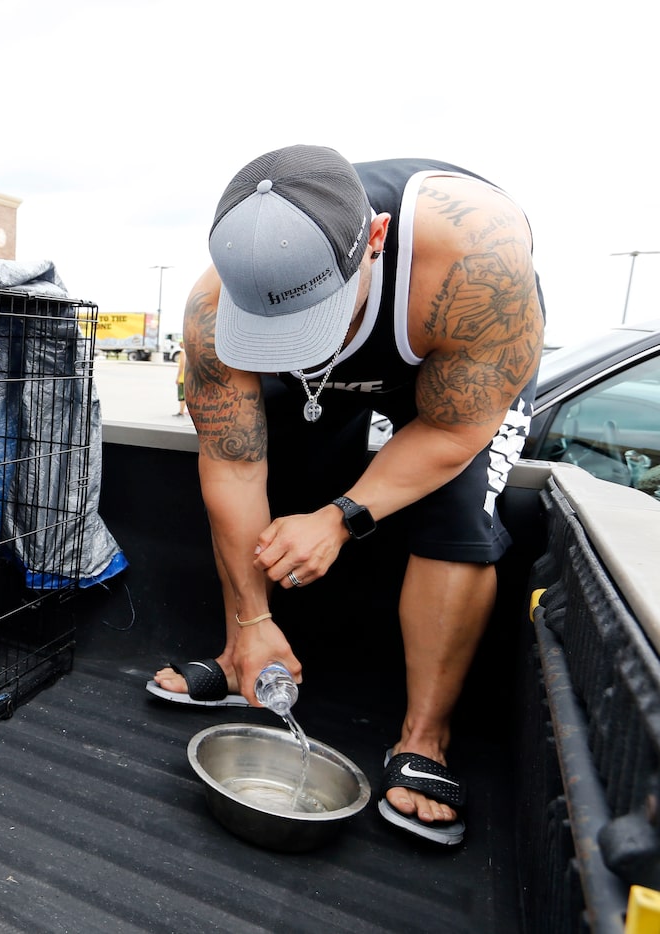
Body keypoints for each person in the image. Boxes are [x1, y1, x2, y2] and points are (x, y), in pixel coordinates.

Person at [149, 144, 544, 845]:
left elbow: (452, 431)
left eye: (309, 321)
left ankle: (425, 738)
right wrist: (250, 619)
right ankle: (248, 658)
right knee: (279, 479)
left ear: (378, 241)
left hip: (449, 360)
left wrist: (342, 518)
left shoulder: (478, 253)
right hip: (342, 369)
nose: (296, 346)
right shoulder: (213, 307)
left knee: (455, 516)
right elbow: (235, 468)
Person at [174, 349, 187, 416]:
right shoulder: (191, 351)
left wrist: (178, 378)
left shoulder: (183, 352)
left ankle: (181, 411)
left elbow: (182, 366)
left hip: (182, 378)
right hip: (188, 377)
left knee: (182, 395)